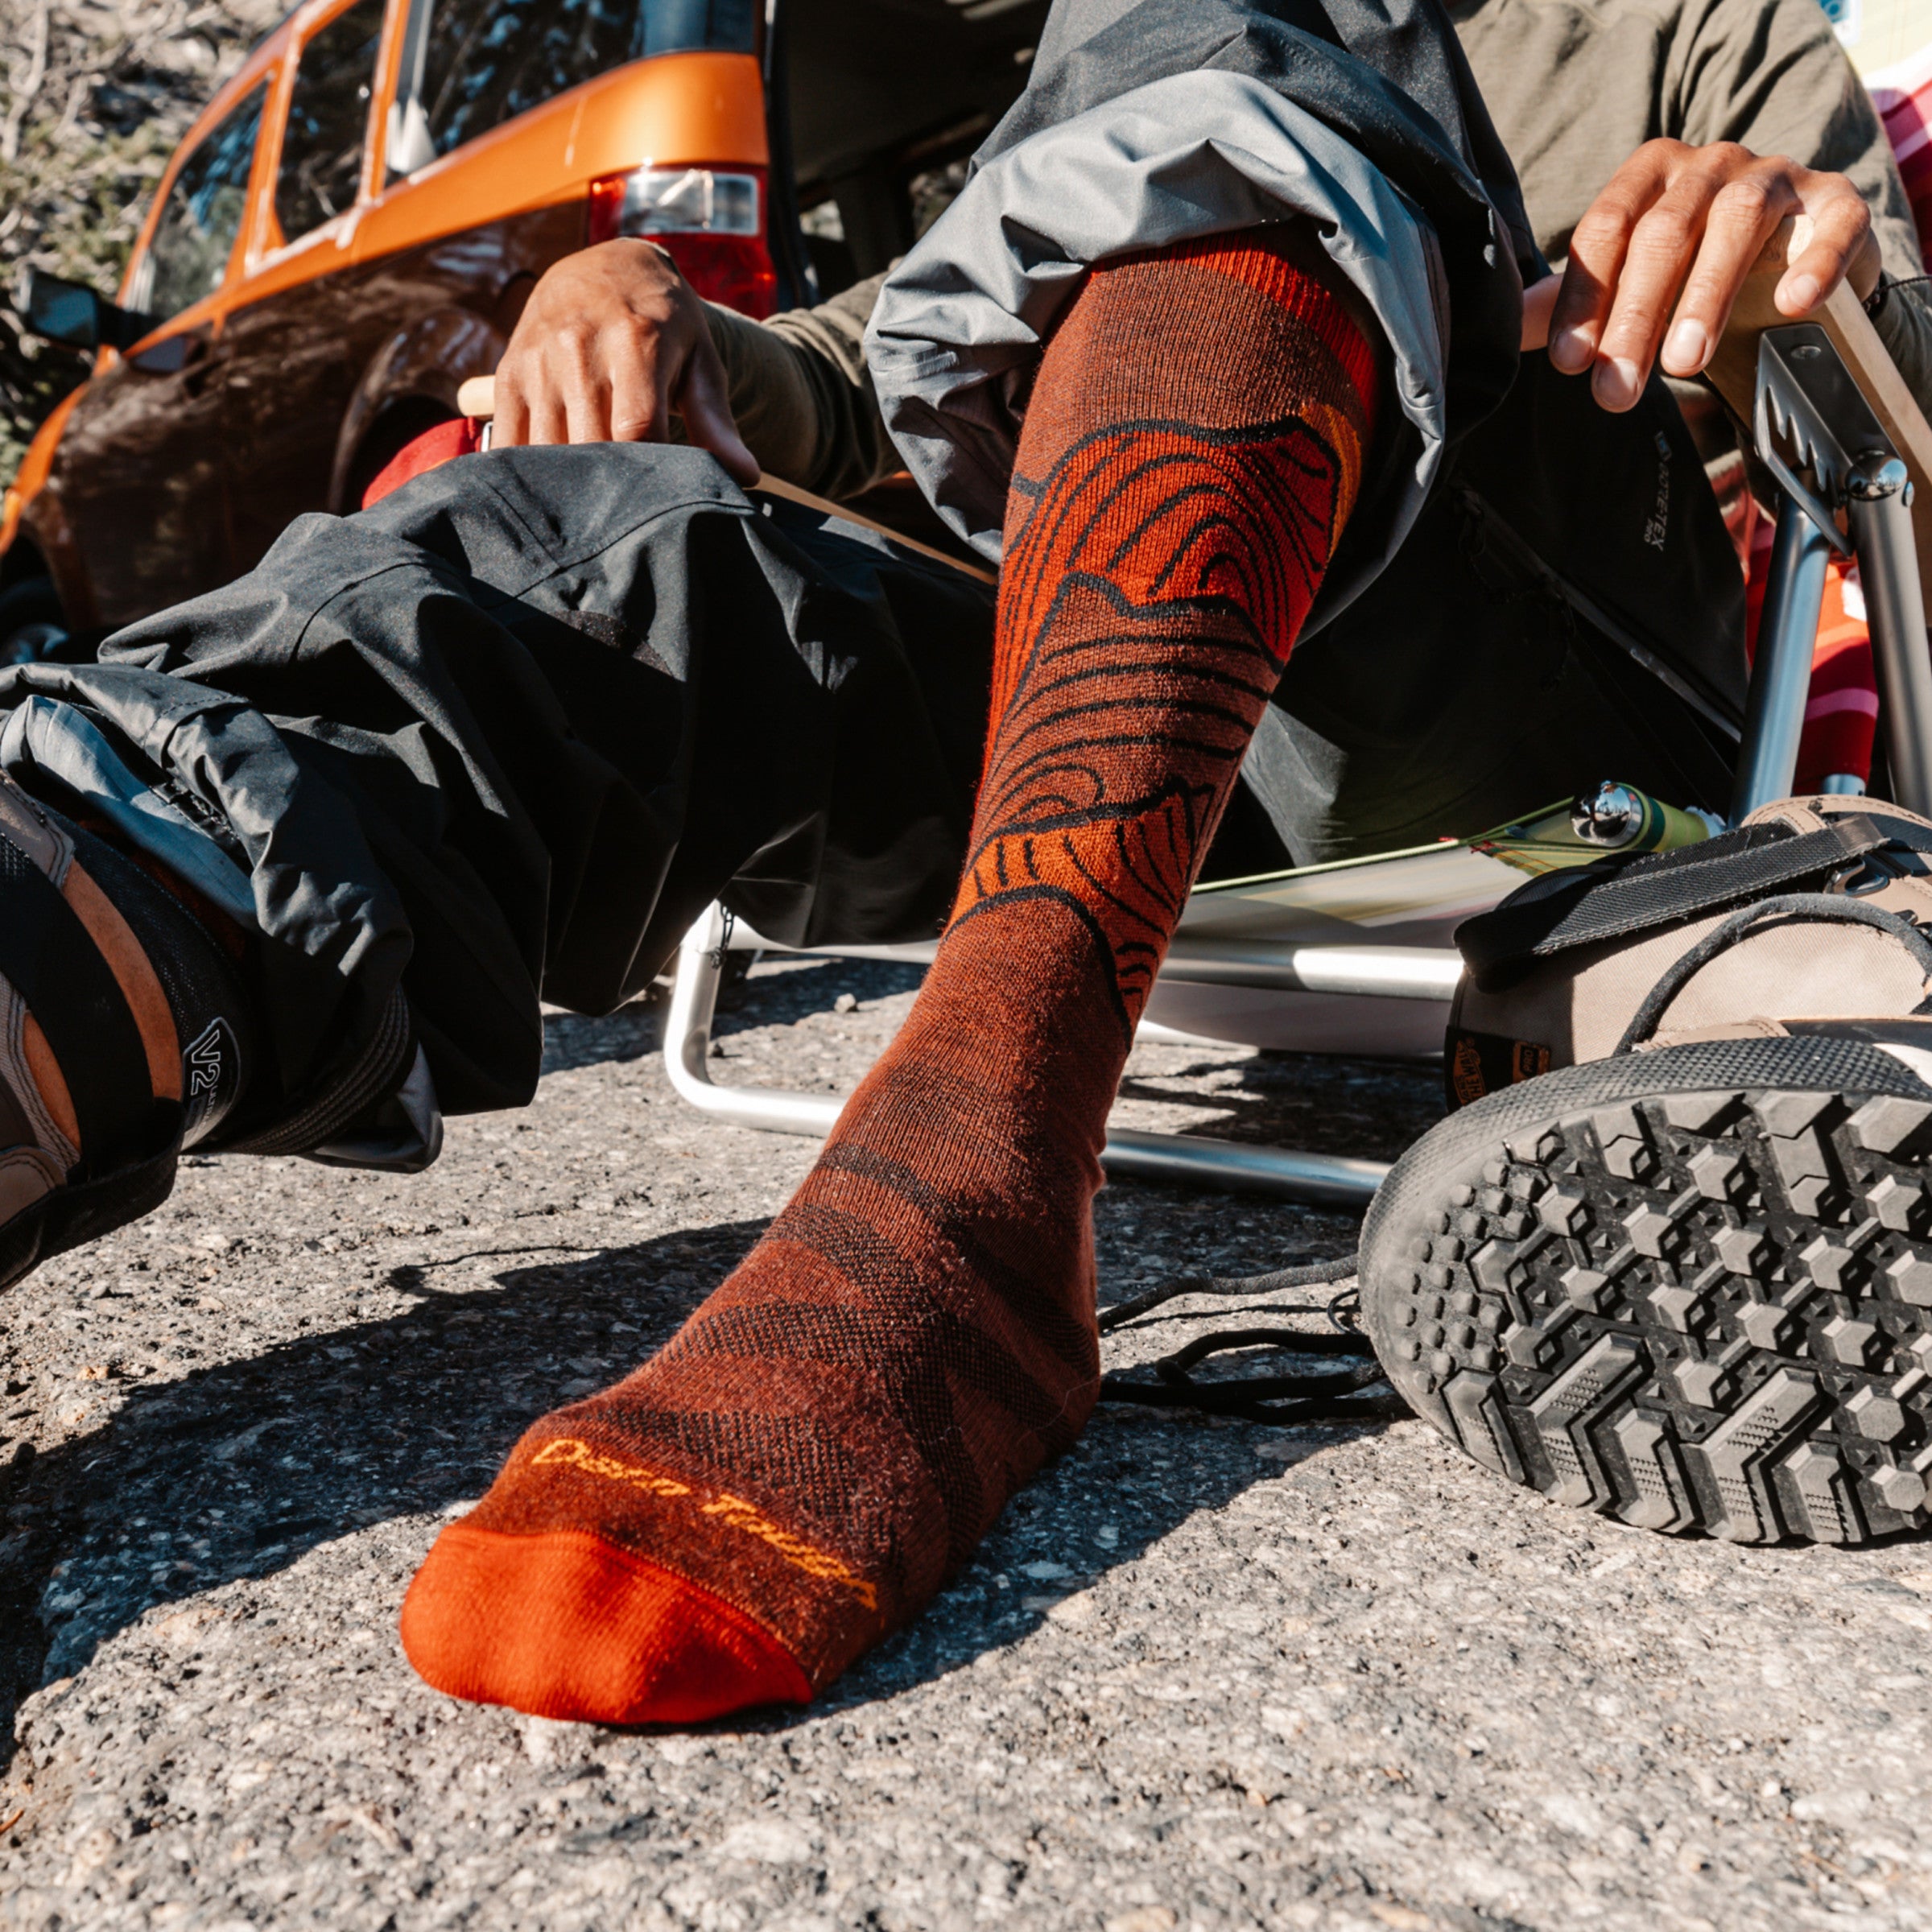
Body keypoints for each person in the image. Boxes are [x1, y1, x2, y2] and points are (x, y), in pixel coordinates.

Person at [0, 0, 1911, 1731]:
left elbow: (1901, 386)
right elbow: (851, 382)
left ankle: (980, 1162)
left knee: (1254, 87)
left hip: (1531, 778)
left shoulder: (1692, 28)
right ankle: (72, 946)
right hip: (1142, 720)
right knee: (597, 556)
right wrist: (659, 311)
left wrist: (1791, 276)